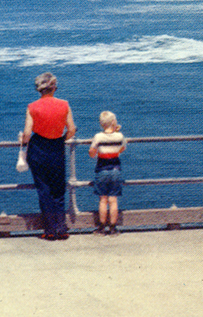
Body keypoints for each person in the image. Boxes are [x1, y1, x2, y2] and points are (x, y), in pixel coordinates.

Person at [20, 72, 76, 240]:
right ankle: (62, 229)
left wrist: (22, 143)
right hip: (56, 147)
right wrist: (60, 140)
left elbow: (27, 133)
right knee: (58, 190)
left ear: (39, 90)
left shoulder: (32, 107)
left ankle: (50, 230)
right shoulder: (64, 105)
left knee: (43, 190)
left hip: (38, 149)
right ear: (53, 88)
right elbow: (72, 129)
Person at [88, 111, 126, 235]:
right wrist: (116, 131)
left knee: (103, 200)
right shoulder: (120, 136)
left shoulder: (98, 137)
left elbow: (92, 153)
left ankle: (101, 227)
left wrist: (98, 153)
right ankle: (113, 228)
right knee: (113, 200)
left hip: (102, 169)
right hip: (116, 169)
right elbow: (122, 148)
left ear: (101, 123)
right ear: (114, 122)